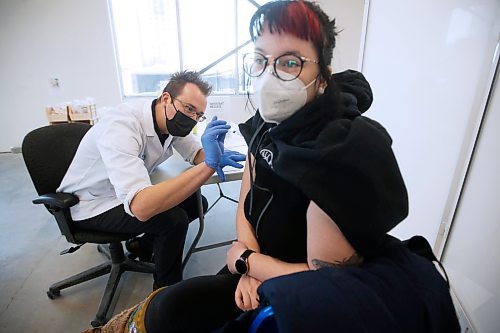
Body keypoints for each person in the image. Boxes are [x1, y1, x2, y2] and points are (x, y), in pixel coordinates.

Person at [83, 1, 460, 332]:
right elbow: (248, 198)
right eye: (261, 60)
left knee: (174, 310)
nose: (269, 76)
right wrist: (246, 255)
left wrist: (250, 264)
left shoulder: (340, 152)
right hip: (244, 258)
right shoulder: (265, 124)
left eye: (290, 62)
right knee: (169, 306)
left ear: (323, 72)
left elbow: (328, 278)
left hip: (297, 284)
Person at [58, 70, 245, 290]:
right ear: (166, 98)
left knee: (196, 204)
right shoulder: (122, 125)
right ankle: (165, 293)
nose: (192, 118)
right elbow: (141, 207)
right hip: (90, 203)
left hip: (120, 193)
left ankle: (141, 245)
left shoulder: (170, 120)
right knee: (173, 220)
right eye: (189, 109)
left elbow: (194, 152)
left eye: (198, 115)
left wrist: (215, 153)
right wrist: (209, 165)